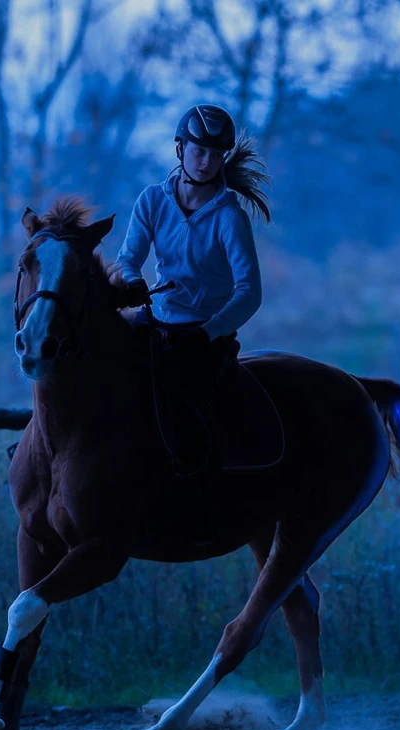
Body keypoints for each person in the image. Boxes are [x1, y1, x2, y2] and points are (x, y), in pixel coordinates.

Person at [111, 103, 271, 474]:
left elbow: (250, 291)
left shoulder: (230, 218)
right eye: (199, 151)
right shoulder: (152, 200)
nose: (206, 162)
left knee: (186, 407)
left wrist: (210, 330)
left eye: (216, 154)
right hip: (155, 319)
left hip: (202, 337)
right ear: (180, 148)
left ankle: (195, 481)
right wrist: (134, 283)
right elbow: (126, 259)